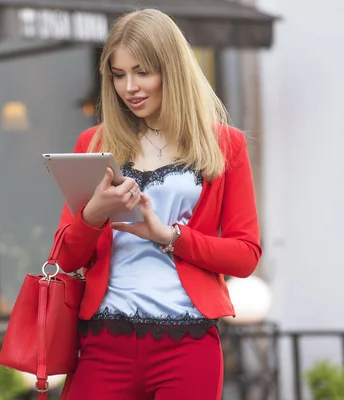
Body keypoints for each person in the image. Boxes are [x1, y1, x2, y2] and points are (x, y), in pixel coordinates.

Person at [54, 9, 262, 400]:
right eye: (119, 75)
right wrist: (94, 214)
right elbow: (65, 257)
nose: (129, 87)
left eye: (142, 71)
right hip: (103, 343)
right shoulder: (94, 144)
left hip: (188, 344)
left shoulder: (224, 145)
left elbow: (245, 255)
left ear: (172, 70)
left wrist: (168, 236)